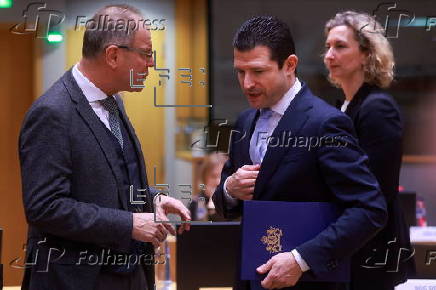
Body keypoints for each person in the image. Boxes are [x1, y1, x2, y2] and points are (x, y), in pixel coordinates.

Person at [18, 4, 190, 290]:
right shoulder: (52, 113)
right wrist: (128, 224)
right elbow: (44, 207)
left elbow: (113, 180)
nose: (151, 64)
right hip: (76, 280)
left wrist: (153, 199)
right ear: (113, 55)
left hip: (131, 273)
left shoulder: (113, 101)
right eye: (146, 54)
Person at [212, 16, 388, 290]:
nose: (247, 83)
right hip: (250, 279)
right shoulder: (245, 120)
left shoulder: (326, 123)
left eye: (258, 72)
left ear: (290, 65)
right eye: (240, 72)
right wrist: (228, 189)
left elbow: (369, 209)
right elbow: (226, 206)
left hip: (308, 281)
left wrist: (301, 259)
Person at [323, 11, 415, 290]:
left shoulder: (377, 108)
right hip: (353, 245)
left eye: (340, 46)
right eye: (327, 47)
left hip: (376, 251)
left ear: (366, 54)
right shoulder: (345, 107)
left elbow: (377, 194)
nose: (329, 55)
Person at [189, 152, 228, 221]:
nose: (218, 181)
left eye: (222, 176)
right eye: (213, 176)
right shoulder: (196, 203)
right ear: (204, 178)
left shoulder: (235, 202)